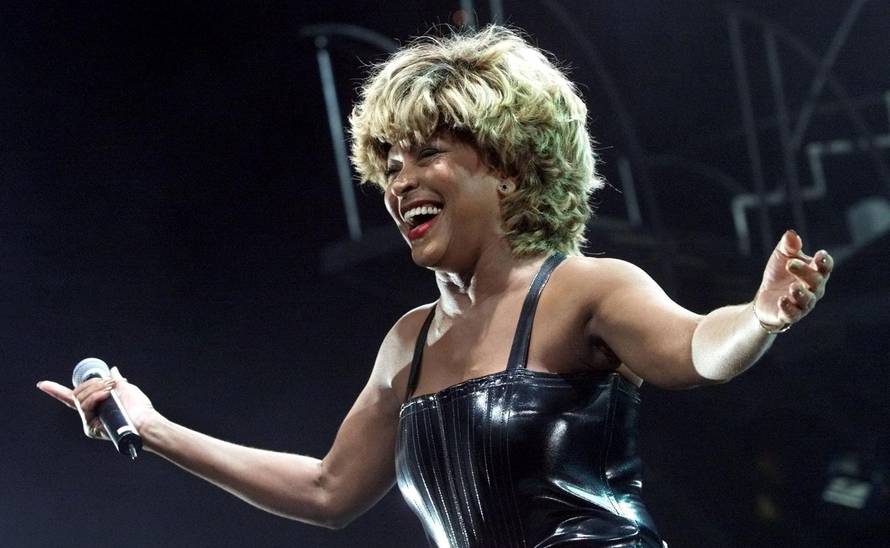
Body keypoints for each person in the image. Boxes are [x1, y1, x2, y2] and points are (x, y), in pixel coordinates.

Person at [37, 25, 832, 547]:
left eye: (426, 154)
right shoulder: (409, 344)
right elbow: (327, 490)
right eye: (389, 162)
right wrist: (156, 425)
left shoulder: (586, 290)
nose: (400, 181)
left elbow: (698, 349)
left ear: (510, 164)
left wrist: (760, 318)